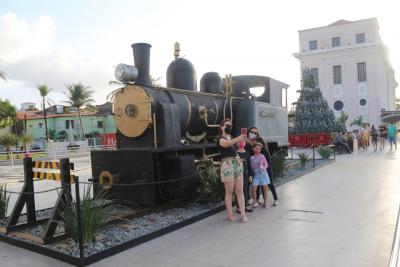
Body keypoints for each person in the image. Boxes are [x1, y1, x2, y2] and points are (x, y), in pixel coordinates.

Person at [218, 118, 248, 223]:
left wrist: (241, 141)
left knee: (240, 190)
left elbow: (236, 149)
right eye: (227, 125)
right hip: (228, 165)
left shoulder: (231, 138)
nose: (229, 127)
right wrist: (238, 138)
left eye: (230, 125)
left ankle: (243, 214)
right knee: (229, 191)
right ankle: (230, 215)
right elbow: (227, 144)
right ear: (222, 127)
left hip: (237, 164)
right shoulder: (221, 139)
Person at [245, 127, 278, 206]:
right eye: (252, 132)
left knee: (268, 183)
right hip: (255, 169)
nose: (253, 134)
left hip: (266, 169)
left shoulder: (262, 147)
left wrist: (264, 168)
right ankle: (257, 199)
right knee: (256, 184)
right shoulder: (248, 144)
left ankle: (275, 199)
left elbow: (267, 161)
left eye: (255, 133)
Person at [250, 143, 270, 208]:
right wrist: (255, 167)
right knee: (253, 189)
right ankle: (255, 202)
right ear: (253, 149)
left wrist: (262, 168)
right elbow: (252, 167)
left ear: (260, 150)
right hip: (256, 175)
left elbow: (266, 165)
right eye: (256, 148)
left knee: (265, 188)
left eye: (259, 148)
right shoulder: (252, 158)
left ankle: (266, 202)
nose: (257, 149)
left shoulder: (262, 156)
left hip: (263, 174)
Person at [236, 140, 253, 213]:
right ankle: (238, 207)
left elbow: (249, 165)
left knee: (245, 190)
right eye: (239, 141)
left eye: (242, 141)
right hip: (237, 175)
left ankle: (245, 205)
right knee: (238, 191)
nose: (241, 143)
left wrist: (250, 175)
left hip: (245, 175)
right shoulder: (235, 153)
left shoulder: (247, 153)